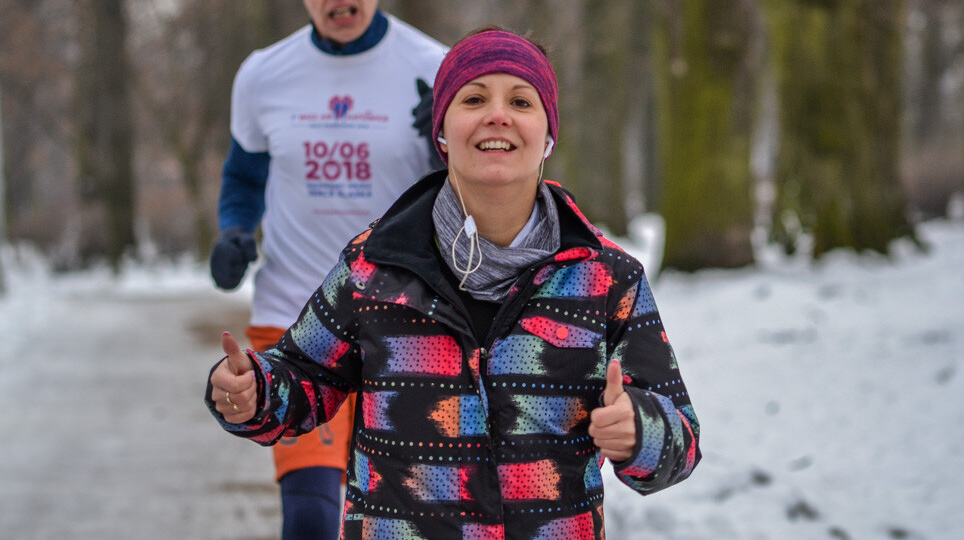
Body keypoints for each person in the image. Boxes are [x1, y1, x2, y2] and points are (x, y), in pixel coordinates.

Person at [207, 27, 700, 539]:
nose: (497, 114)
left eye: (521, 100)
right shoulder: (375, 269)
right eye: (474, 98)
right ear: (441, 131)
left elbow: (682, 439)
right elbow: (304, 377)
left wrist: (640, 431)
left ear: (548, 134)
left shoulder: (606, 278)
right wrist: (255, 391)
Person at [208, 0, 447, 539]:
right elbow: (244, 175)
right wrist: (235, 230)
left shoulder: (437, 68)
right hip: (294, 319)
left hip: (405, 318)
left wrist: (443, 146)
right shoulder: (263, 75)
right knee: (311, 515)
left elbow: (473, 196)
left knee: (396, 518)